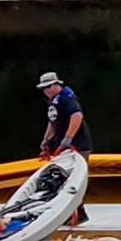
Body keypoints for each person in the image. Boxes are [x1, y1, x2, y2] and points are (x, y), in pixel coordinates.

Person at [35, 70, 91, 227]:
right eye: (44, 88)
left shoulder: (67, 98)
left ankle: (77, 214)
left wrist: (68, 138)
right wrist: (46, 140)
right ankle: (74, 213)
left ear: (57, 85)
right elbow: (53, 121)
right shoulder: (54, 101)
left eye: (49, 87)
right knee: (62, 178)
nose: (46, 91)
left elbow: (77, 116)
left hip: (77, 145)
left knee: (73, 179)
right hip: (63, 145)